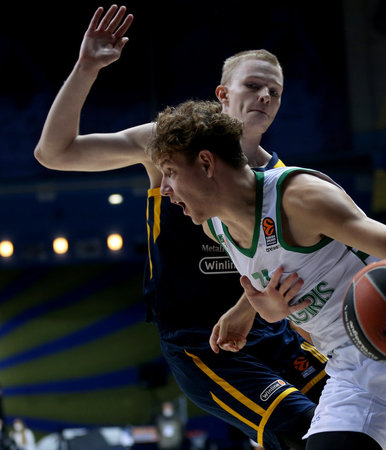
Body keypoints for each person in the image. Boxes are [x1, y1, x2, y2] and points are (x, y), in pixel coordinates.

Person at [34, 5, 328, 449]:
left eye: (275, 91)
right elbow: (54, 153)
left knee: (358, 418)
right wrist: (87, 67)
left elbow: (287, 269)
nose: (266, 96)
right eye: (253, 85)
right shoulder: (168, 145)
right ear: (223, 94)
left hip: (271, 332)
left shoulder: (282, 179)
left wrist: (253, 310)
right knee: (303, 428)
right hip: (199, 341)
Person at [146, 99, 386, 450]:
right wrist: (253, 310)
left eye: (172, 172)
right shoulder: (216, 228)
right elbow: (273, 273)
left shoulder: (298, 198)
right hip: (349, 366)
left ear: (207, 162)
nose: (165, 188)